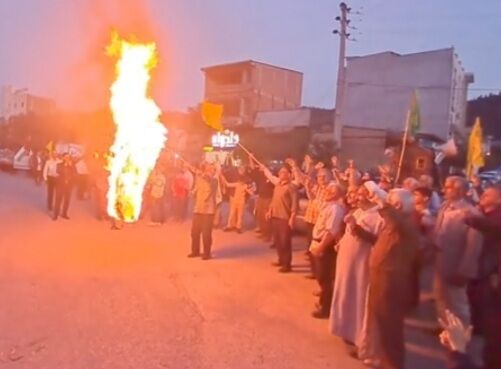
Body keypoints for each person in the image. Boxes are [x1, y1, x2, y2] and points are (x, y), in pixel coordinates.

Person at [364, 189, 419, 369]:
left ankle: (393, 365)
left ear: (398, 205)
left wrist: (381, 200)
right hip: (380, 278)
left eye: (390, 201)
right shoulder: (392, 224)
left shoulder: (406, 224)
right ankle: (381, 359)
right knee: (380, 324)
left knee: (390, 329)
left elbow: (394, 218)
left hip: (391, 282)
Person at [330, 184, 384, 358]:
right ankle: (344, 328)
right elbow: (349, 232)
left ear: (371, 196)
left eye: (361, 195)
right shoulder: (358, 211)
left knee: (358, 298)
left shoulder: (379, 217)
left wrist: (355, 228)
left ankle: (358, 337)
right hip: (347, 264)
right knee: (345, 293)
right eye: (357, 194)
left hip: (362, 265)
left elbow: (378, 241)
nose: (356, 197)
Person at [433, 176, 483, 326]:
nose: (444, 190)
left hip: (456, 263)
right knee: (441, 297)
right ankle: (445, 328)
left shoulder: (471, 214)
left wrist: (465, 270)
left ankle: (460, 339)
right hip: (440, 261)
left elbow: (473, 246)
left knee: (457, 302)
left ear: (460, 190)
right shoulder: (444, 206)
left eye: (448, 187)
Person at [464, 184, 501, 369]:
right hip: (483, 268)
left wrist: (470, 217)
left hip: (492, 272)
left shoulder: (496, 216)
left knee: (494, 326)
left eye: (489, 195)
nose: (484, 196)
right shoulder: (486, 214)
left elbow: (491, 226)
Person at [253, 155, 298, 273]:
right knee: (278, 240)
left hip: (285, 218)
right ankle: (281, 260)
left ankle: (287, 264)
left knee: (285, 242)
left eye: (284, 172)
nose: (282, 174)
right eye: (281, 172)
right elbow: (274, 199)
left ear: (289, 175)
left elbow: (294, 203)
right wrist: (269, 211)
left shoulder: (292, 187)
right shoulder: (278, 184)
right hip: (275, 216)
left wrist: (293, 217)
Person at [309, 183, 345, 318]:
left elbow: (331, 231)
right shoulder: (328, 206)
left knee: (326, 279)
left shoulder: (335, 209)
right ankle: (324, 302)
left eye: (332, 190)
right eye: (328, 189)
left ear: (339, 194)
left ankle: (326, 309)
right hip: (318, 242)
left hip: (325, 246)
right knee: (321, 277)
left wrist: (321, 247)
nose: (328, 191)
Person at [189, 162, 218, 260]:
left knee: (206, 234)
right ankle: (195, 251)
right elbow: (196, 188)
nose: (210, 171)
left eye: (212, 170)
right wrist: (192, 193)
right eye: (209, 169)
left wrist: (196, 171)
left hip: (208, 211)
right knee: (194, 232)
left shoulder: (214, 180)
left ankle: (207, 253)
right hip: (198, 208)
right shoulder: (200, 178)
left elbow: (207, 178)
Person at [221, 166, 253, 233]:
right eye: (240, 169)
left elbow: (251, 192)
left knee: (240, 214)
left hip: (241, 201)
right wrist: (222, 177)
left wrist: (250, 189)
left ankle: (238, 227)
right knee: (232, 213)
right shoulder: (237, 184)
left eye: (243, 169)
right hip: (235, 199)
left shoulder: (245, 185)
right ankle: (229, 225)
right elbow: (228, 184)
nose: (241, 170)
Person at [249, 159, 274, 242]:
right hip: (261, 197)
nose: (260, 167)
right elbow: (252, 170)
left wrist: (266, 171)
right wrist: (250, 158)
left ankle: (268, 235)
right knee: (260, 216)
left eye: (262, 166)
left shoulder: (270, 176)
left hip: (269, 198)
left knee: (267, 217)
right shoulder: (259, 176)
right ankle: (263, 232)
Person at [53, 153, 76, 220]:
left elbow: (75, 174)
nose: (67, 158)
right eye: (65, 157)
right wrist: (64, 166)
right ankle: (55, 215)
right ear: (63, 158)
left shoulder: (72, 166)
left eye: (68, 157)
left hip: (69, 186)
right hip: (60, 185)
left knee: (67, 200)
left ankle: (64, 214)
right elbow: (57, 171)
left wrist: (71, 166)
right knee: (58, 200)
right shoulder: (59, 165)